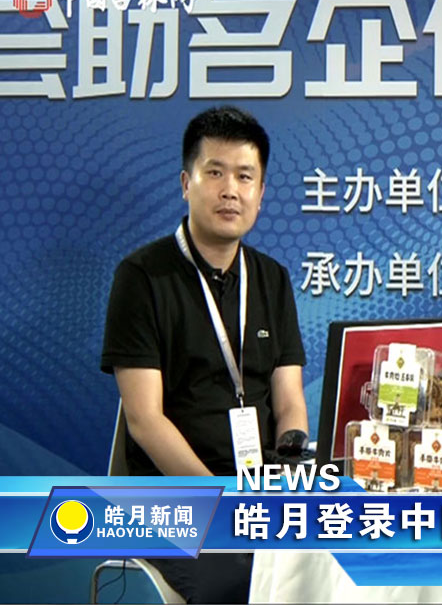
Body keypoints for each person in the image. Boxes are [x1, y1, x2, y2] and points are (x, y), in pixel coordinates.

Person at [101, 106, 309, 603]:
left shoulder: (272, 278)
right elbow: (144, 420)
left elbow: (289, 401)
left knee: (323, 561)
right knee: (242, 580)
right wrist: (221, 502)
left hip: (257, 493)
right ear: (185, 183)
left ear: (260, 193)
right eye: (215, 173)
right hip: (169, 499)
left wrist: (291, 469)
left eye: (245, 176)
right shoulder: (142, 277)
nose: (230, 190)